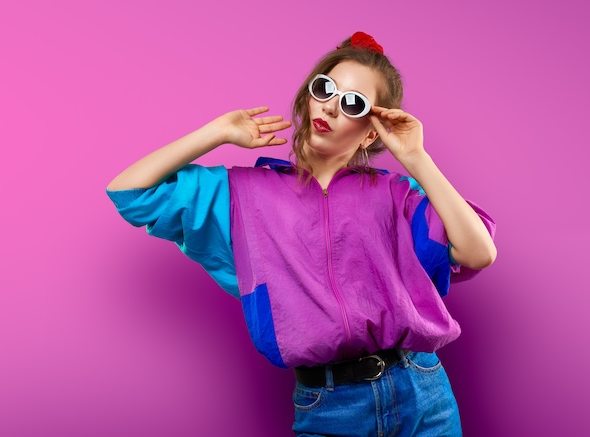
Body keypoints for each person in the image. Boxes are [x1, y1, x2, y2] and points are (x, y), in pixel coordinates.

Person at [105, 31, 496, 437]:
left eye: (352, 103)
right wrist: (216, 132)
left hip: (422, 393)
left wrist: (417, 159)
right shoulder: (243, 193)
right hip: (329, 405)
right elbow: (129, 192)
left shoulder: (397, 195)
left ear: (370, 132)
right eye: (324, 88)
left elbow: (477, 253)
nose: (330, 105)